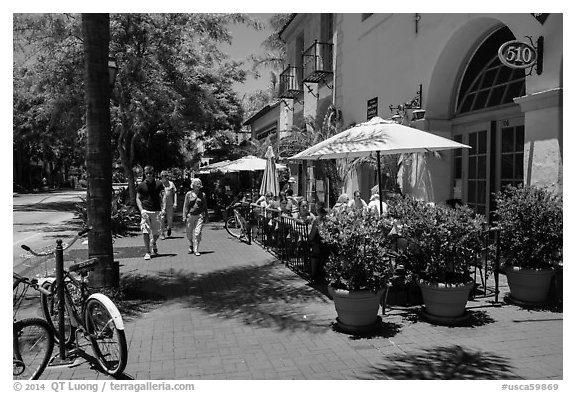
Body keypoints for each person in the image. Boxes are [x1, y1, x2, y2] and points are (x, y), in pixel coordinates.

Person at [136, 165, 165, 260]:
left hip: (156, 211)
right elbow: (138, 198)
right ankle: (148, 252)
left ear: (153, 174)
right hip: (145, 211)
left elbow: (163, 195)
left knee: (157, 233)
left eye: (150, 173)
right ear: (144, 173)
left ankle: (153, 242)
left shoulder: (159, 184)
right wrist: (141, 210)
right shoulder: (141, 185)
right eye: (147, 173)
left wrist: (163, 208)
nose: (148, 175)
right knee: (145, 232)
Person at [183, 178, 208, 256]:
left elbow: (205, 207)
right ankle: (191, 244)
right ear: (193, 185)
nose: (198, 186)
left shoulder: (202, 195)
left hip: (199, 216)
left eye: (199, 184)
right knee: (189, 233)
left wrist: (206, 216)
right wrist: (184, 215)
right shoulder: (188, 194)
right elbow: (186, 205)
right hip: (190, 215)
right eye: (197, 184)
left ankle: (196, 249)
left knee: (197, 233)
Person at [160, 170, 178, 239]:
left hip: (170, 205)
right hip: (162, 205)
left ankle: (169, 228)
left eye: (166, 176)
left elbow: (175, 193)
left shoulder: (171, 184)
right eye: (163, 176)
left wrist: (175, 202)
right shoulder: (160, 184)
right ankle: (162, 233)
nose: (165, 178)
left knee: (170, 220)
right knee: (162, 219)